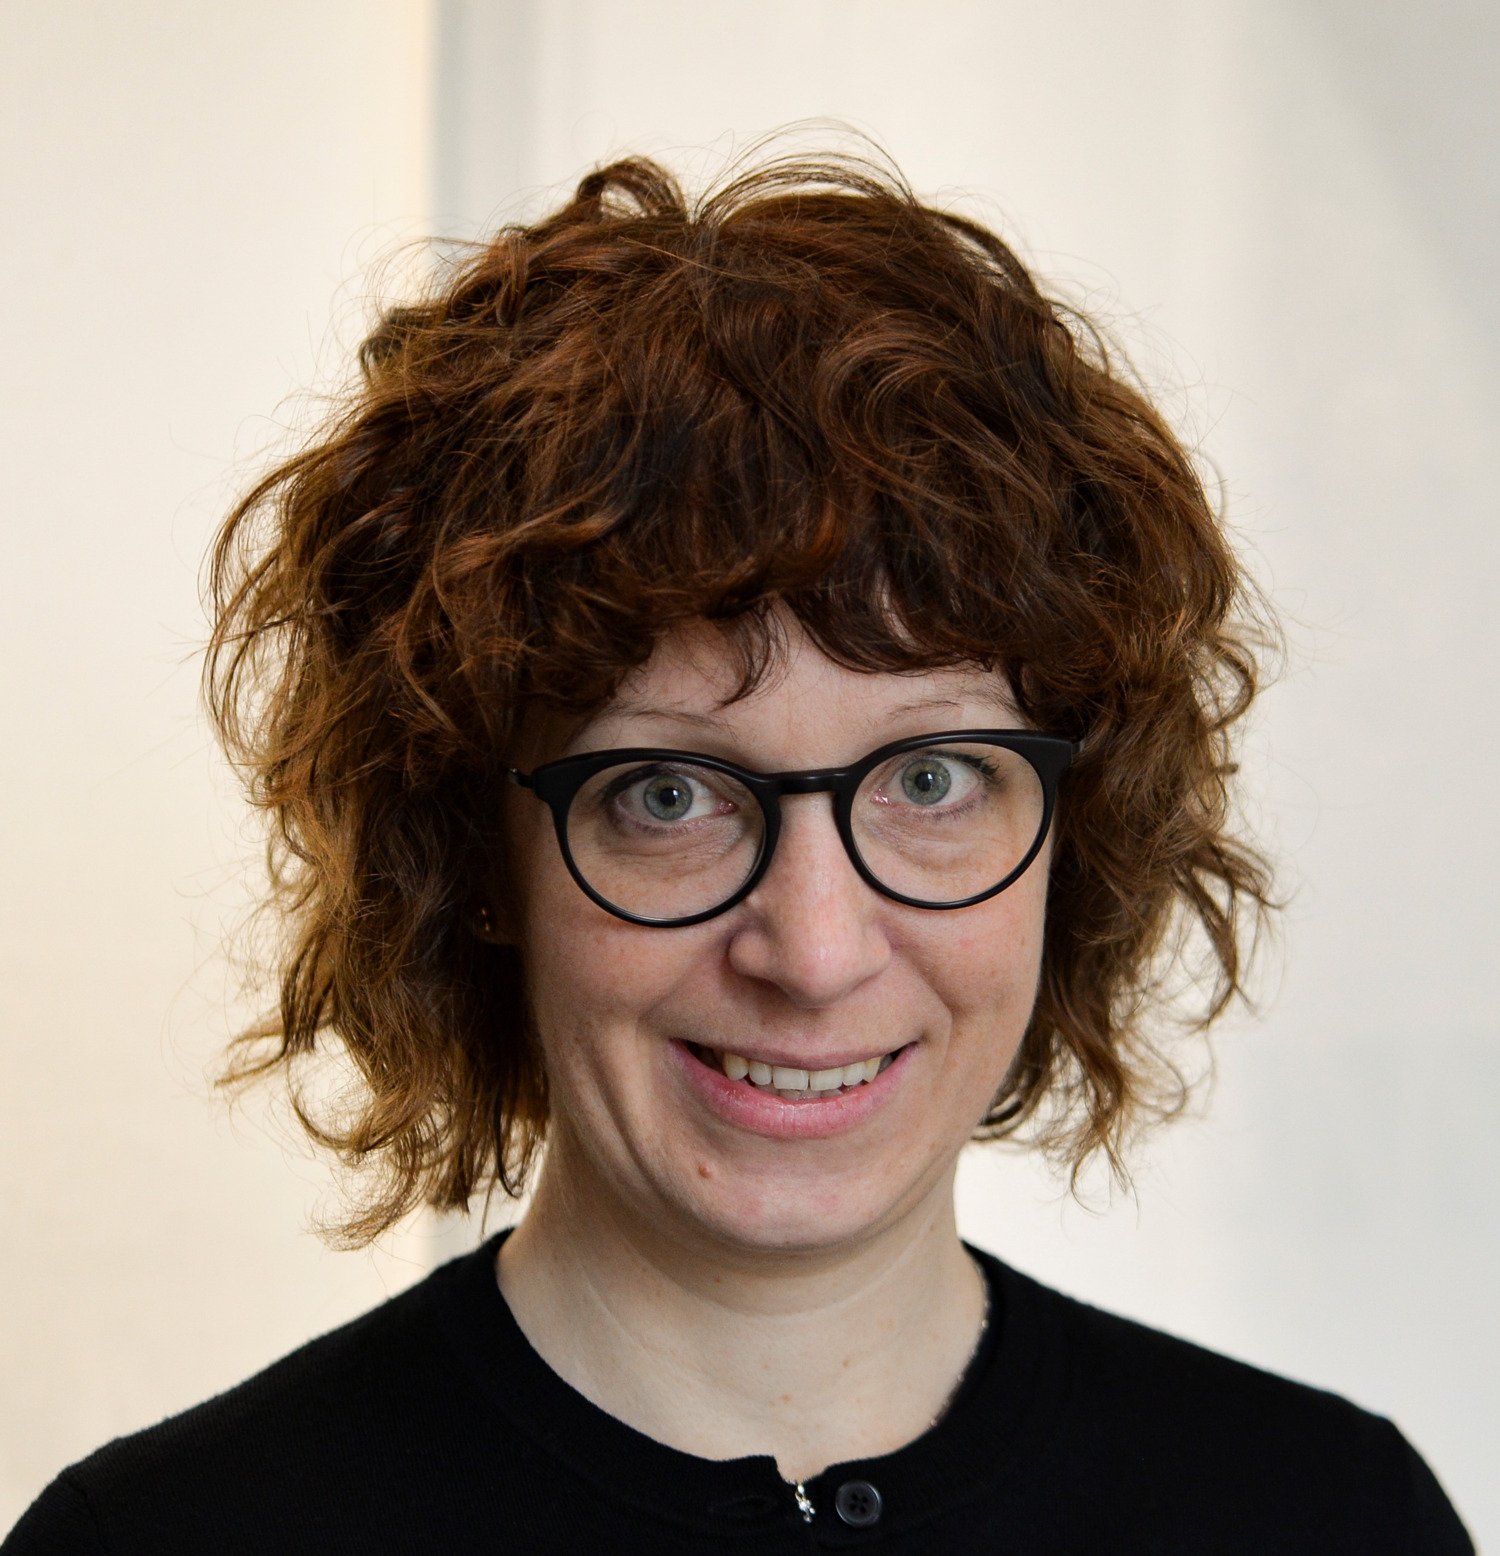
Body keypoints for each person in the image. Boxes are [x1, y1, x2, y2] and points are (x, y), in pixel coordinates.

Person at [4, 147, 1473, 1554]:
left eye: (937, 776)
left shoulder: (1330, 1519)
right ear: (476, 853)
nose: (816, 951)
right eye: (666, 795)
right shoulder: (164, 1543)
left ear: (1071, 836)